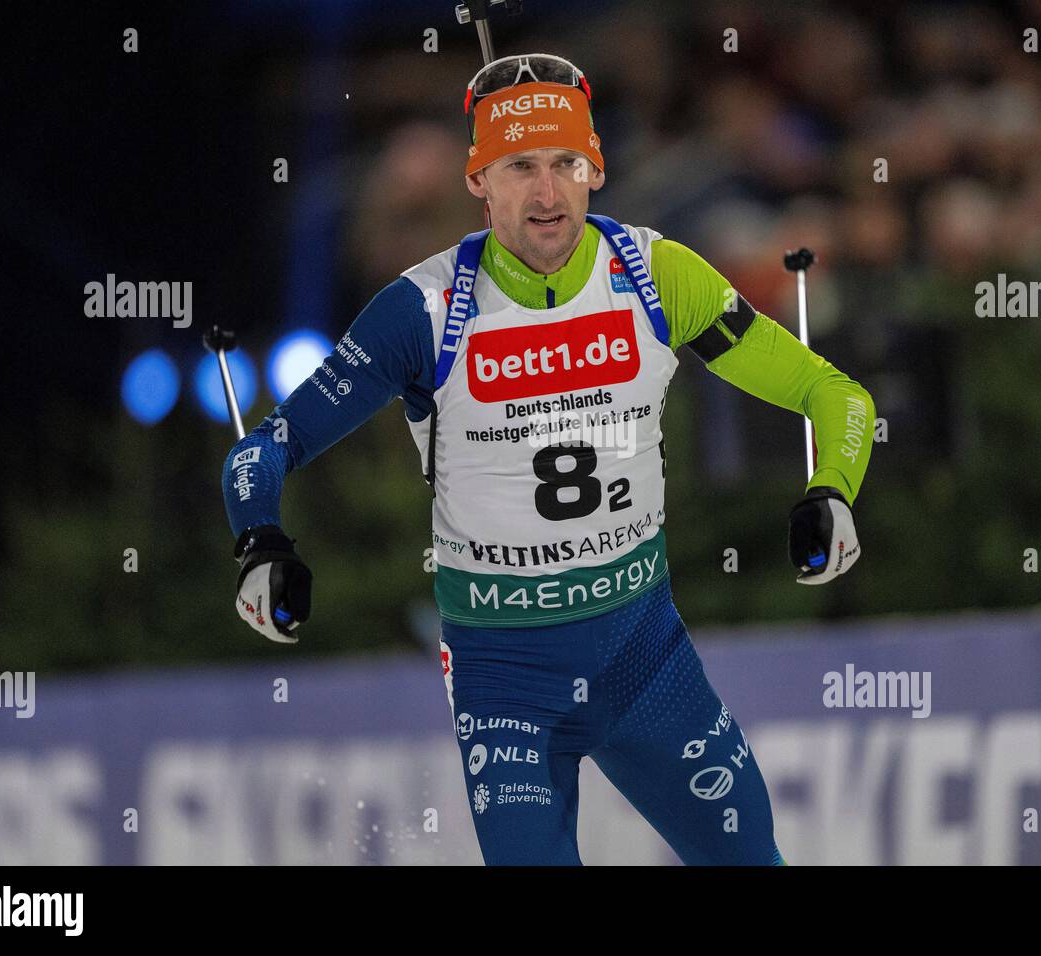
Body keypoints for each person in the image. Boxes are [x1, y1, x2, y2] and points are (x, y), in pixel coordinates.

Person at [221, 53, 875, 865]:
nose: (546, 193)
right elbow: (264, 451)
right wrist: (261, 543)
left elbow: (837, 397)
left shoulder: (654, 276)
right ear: (478, 183)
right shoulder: (424, 311)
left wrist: (832, 491)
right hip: (505, 683)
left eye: (566, 164)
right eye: (519, 167)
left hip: (644, 657)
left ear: (595, 166)